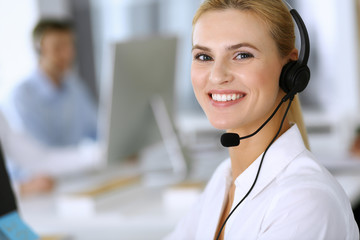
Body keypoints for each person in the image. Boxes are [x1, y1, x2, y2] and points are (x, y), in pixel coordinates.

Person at [165, 0, 359, 239]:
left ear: (290, 71)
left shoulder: (304, 202)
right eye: (204, 57)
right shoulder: (224, 179)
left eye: (242, 55)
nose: (216, 76)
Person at [11, 18, 97, 147]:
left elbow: (98, 130)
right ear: (39, 50)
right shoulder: (21, 97)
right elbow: (39, 155)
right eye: (58, 47)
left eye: (70, 46)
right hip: (42, 167)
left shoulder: (75, 87)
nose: (67, 55)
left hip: (75, 165)